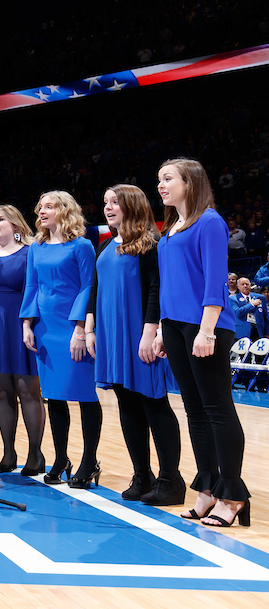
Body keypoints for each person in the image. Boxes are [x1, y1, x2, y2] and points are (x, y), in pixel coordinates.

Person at [156, 159, 250, 527]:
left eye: (168, 179)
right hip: (175, 326)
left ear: (190, 183)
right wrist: (162, 329)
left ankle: (233, 494)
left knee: (217, 408)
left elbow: (215, 280)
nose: (161, 186)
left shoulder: (209, 222)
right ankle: (208, 487)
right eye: (159, 180)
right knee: (194, 410)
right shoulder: (170, 229)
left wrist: (207, 330)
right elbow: (169, 283)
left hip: (205, 326)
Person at [87, 184, 184, 505]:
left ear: (132, 205)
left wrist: (150, 331)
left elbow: (157, 289)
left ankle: (171, 480)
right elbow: (95, 290)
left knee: (154, 403)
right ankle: (142, 475)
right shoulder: (105, 246)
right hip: (112, 336)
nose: (108, 207)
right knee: (127, 404)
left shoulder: (150, 243)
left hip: (139, 334)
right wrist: (90, 329)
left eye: (115, 202)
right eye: (105, 202)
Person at [20, 191, 99, 487]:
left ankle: (89, 460)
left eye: (49, 207)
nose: (41, 211)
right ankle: (61, 458)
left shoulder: (82, 245)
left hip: (73, 327)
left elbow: (88, 287)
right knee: (54, 396)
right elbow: (31, 286)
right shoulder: (36, 247)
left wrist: (80, 329)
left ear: (64, 211)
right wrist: (27, 324)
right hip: (45, 328)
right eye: (40, 207)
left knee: (85, 395)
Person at [0, 205, 45, 475]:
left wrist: (29, 323)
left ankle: (35, 453)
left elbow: (36, 290)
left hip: (22, 322)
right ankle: (8, 452)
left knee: (28, 390)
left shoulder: (31, 252)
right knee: (3, 391)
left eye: (0, 219)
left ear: (15, 224)